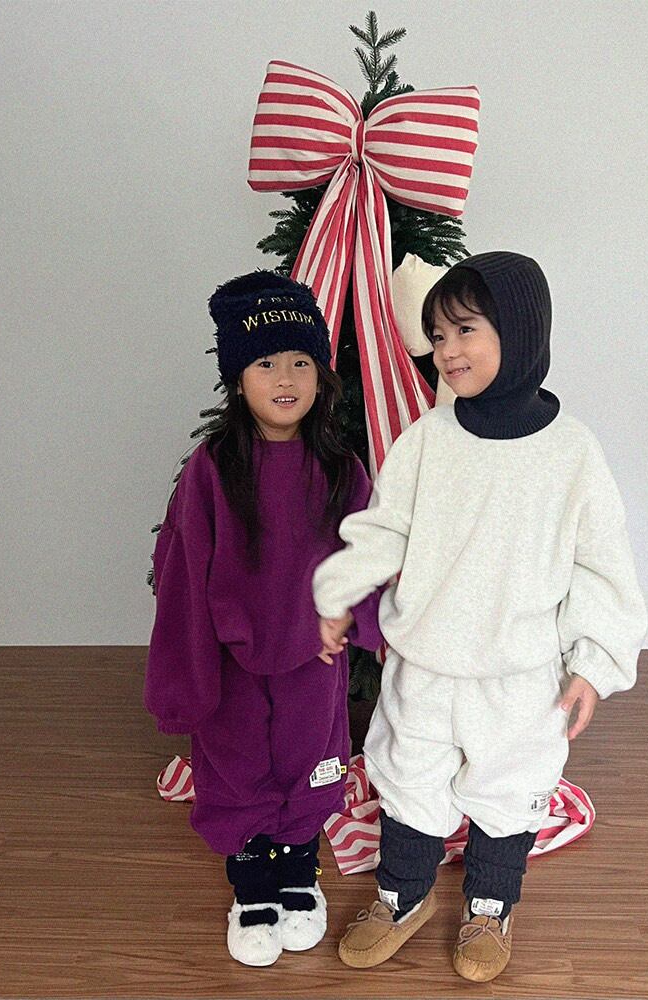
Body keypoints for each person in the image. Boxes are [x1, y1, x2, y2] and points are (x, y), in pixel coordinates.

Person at [313, 252, 648, 982]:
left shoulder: (572, 453)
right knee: (408, 776)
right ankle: (401, 896)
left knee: (510, 787)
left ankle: (491, 905)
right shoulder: (427, 440)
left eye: (465, 329)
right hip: (426, 662)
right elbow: (384, 530)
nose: (447, 350)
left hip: (521, 673)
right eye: (438, 335)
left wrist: (593, 664)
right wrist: (338, 591)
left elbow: (601, 565)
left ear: (519, 330)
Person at [144, 270, 383, 967]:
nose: (285, 378)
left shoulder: (340, 467)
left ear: (321, 375)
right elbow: (184, 568)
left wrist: (360, 620)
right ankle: (252, 885)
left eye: (301, 362)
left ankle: (298, 870)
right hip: (233, 654)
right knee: (237, 760)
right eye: (266, 362)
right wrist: (186, 671)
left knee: (312, 759)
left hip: (315, 655)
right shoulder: (213, 467)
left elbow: (368, 552)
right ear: (238, 378)